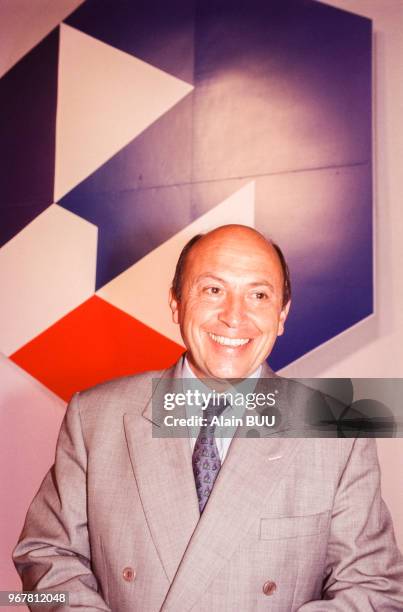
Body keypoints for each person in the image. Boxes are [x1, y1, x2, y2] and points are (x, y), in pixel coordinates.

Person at [13, 225, 403, 610]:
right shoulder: (94, 416)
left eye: (259, 295)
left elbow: (373, 588)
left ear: (282, 314)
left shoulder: (337, 431)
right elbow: (45, 555)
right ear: (176, 302)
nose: (234, 317)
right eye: (213, 290)